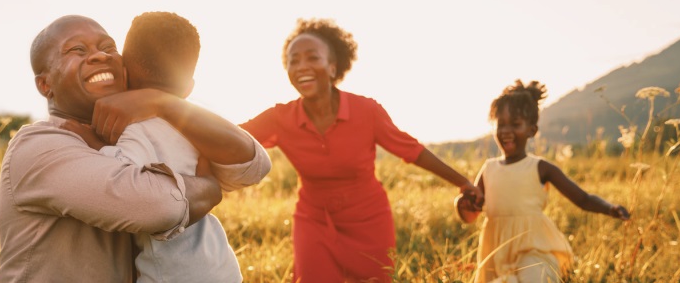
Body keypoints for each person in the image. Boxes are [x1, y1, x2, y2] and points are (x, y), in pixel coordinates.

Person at [0, 15, 261, 282]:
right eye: (78, 49)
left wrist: (163, 103)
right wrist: (209, 187)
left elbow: (252, 165)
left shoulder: (140, 131)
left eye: (109, 47)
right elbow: (160, 208)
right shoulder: (39, 146)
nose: (100, 56)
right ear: (45, 84)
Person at [239, 18, 484, 282]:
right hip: (314, 222)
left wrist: (462, 182)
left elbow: (412, 150)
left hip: (369, 222)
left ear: (333, 68)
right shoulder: (281, 117)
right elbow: (231, 136)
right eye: (293, 60)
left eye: (312, 58)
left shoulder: (366, 111)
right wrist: (187, 117)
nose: (301, 67)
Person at [458, 80, 630, 282]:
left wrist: (609, 208)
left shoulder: (541, 168)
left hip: (535, 249)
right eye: (501, 124)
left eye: (515, 124)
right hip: (497, 254)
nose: (506, 131)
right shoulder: (489, 169)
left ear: (532, 130)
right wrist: (461, 204)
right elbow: (470, 214)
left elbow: (583, 199)